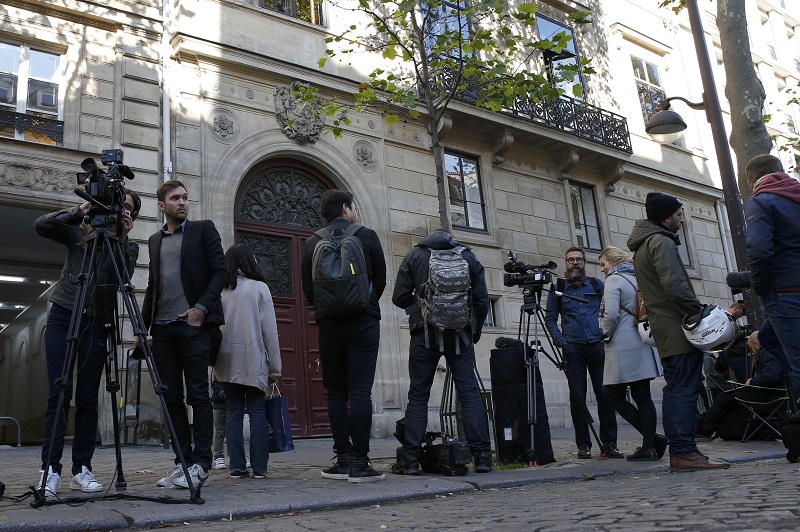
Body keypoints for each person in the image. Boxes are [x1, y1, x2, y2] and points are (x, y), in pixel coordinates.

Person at [34, 190, 140, 495]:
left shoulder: (127, 245)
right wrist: (79, 210)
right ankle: (50, 469)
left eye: (126, 208)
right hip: (64, 312)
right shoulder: (79, 233)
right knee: (59, 391)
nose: (118, 210)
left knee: (88, 396)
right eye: (116, 204)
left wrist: (120, 237)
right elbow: (42, 225)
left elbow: (124, 277)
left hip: (97, 319)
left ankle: (81, 468)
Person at [627, 191, 730, 471]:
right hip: (677, 327)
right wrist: (696, 313)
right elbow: (675, 284)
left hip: (665, 327)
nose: (682, 220)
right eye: (679, 215)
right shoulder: (660, 241)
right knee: (685, 390)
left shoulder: (645, 244)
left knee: (676, 391)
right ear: (666, 217)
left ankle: (682, 452)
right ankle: (685, 452)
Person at [141, 180, 227, 489]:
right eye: (175, 198)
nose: (182, 202)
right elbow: (153, 285)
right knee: (172, 399)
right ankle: (183, 461)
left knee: (198, 396)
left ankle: (202, 464)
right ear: (162, 205)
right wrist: (142, 327)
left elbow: (221, 272)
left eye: (185, 198)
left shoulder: (203, 230)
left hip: (193, 326)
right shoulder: (154, 241)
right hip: (162, 330)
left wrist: (201, 307)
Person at [300, 189, 387, 482]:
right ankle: (361, 465)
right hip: (363, 321)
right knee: (361, 391)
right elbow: (381, 279)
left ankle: (343, 460)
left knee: (336, 393)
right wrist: (364, 304)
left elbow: (308, 290)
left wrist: (327, 310)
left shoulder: (312, 242)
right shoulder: (367, 236)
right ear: (347, 208)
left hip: (329, 325)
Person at [390, 229, 492, 475]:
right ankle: (482, 457)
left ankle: (412, 458)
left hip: (424, 334)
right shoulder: (468, 256)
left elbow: (399, 296)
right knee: (469, 393)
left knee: (418, 395)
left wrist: (421, 308)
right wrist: (473, 330)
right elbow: (481, 298)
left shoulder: (415, 255)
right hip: (461, 334)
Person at [213, 244, 282, 479]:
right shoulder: (260, 289)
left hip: (225, 358)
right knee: (256, 410)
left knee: (232, 411)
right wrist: (275, 366)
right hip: (253, 358)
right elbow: (270, 332)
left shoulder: (220, 291)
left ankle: (236, 466)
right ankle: (260, 467)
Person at [545, 247, 620, 459]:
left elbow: (609, 311)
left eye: (578, 259)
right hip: (573, 347)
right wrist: (562, 342)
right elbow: (550, 318)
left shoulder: (597, 285)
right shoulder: (558, 288)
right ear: (566, 263)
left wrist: (607, 335)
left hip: (597, 344)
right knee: (577, 399)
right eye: (571, 260)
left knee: (605, 396)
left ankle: (610, 443)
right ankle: (583, 445)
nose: (575, 263)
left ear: (584, 262)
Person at [597, 246, 667, 461]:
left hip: (622, 343)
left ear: (612, 261)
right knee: (642, 395)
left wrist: (604, 334)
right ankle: (650, 444)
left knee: (612, 396)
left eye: (603, 264)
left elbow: (610, 314)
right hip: (642, 339)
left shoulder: (614, 280)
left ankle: (652, 441)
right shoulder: (638, 277)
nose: (602, 269)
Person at [744, 154, 800, 391]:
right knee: (766, 337)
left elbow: (758, 249)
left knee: (797, 363)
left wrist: (760, 285)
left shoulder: (761, 201)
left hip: (784, 290)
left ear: (750, 182)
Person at [696, 329, 783, 440]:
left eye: (751, 348)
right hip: (768, 393)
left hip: (769, 396)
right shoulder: (769, 352)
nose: (751, 351)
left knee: (724, 398)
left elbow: (771, 376)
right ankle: (710, 429)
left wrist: (752, 382)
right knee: (727, 398)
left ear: (757, 344)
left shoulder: (768, 354)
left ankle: (705, 431)